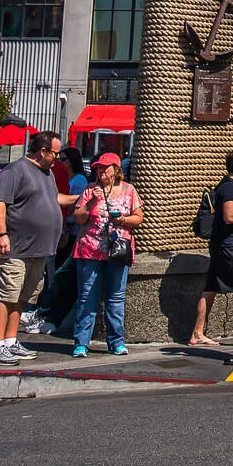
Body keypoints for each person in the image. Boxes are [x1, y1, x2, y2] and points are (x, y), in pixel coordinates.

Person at [0, 130, 75, 366]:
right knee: (5, 295)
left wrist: (82, 197)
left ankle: (10, 340)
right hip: (14, 247)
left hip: (38, 249)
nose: (57, 157)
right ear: (42, 151)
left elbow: (56, 199)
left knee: (23, 297)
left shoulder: (47, 174)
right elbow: (0, 203)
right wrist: (2, 234)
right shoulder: (14, 171)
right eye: (55, 153)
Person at [69, 152, 140, 357]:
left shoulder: (129, 190)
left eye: (105, 168)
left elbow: (139, 217)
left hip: (117, 250)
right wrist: (92, 202)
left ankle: (116, 341)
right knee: (87, 297)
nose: (101, 172)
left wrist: (124, 221)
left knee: (116, 298)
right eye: (98, 168)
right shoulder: (90, 189)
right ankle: (81, 342)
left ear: (116, 170)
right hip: (90, 249)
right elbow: (78, 218)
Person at [192, 151, 233, 347]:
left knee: (210, 288)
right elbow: (229, 217)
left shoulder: (223, 185)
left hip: (219, 244)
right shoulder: (232, 188)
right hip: (230, 245)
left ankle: (197, 332)